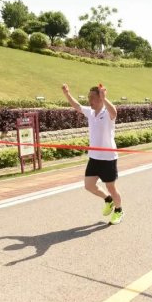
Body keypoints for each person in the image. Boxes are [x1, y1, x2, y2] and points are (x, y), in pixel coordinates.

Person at [61, 84, 124, 225]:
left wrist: (104, 98)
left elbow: (114, 112)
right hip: (94, 157)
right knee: (89, 185)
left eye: (92, 98)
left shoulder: (107, 113)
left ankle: (119, 210)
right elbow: (77, 106)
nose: (89, 100)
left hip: (108, 158)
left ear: (100, 98)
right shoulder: (90, 112)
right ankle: (108, 200)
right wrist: (67, 94)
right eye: (88, 97)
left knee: (111, 187)